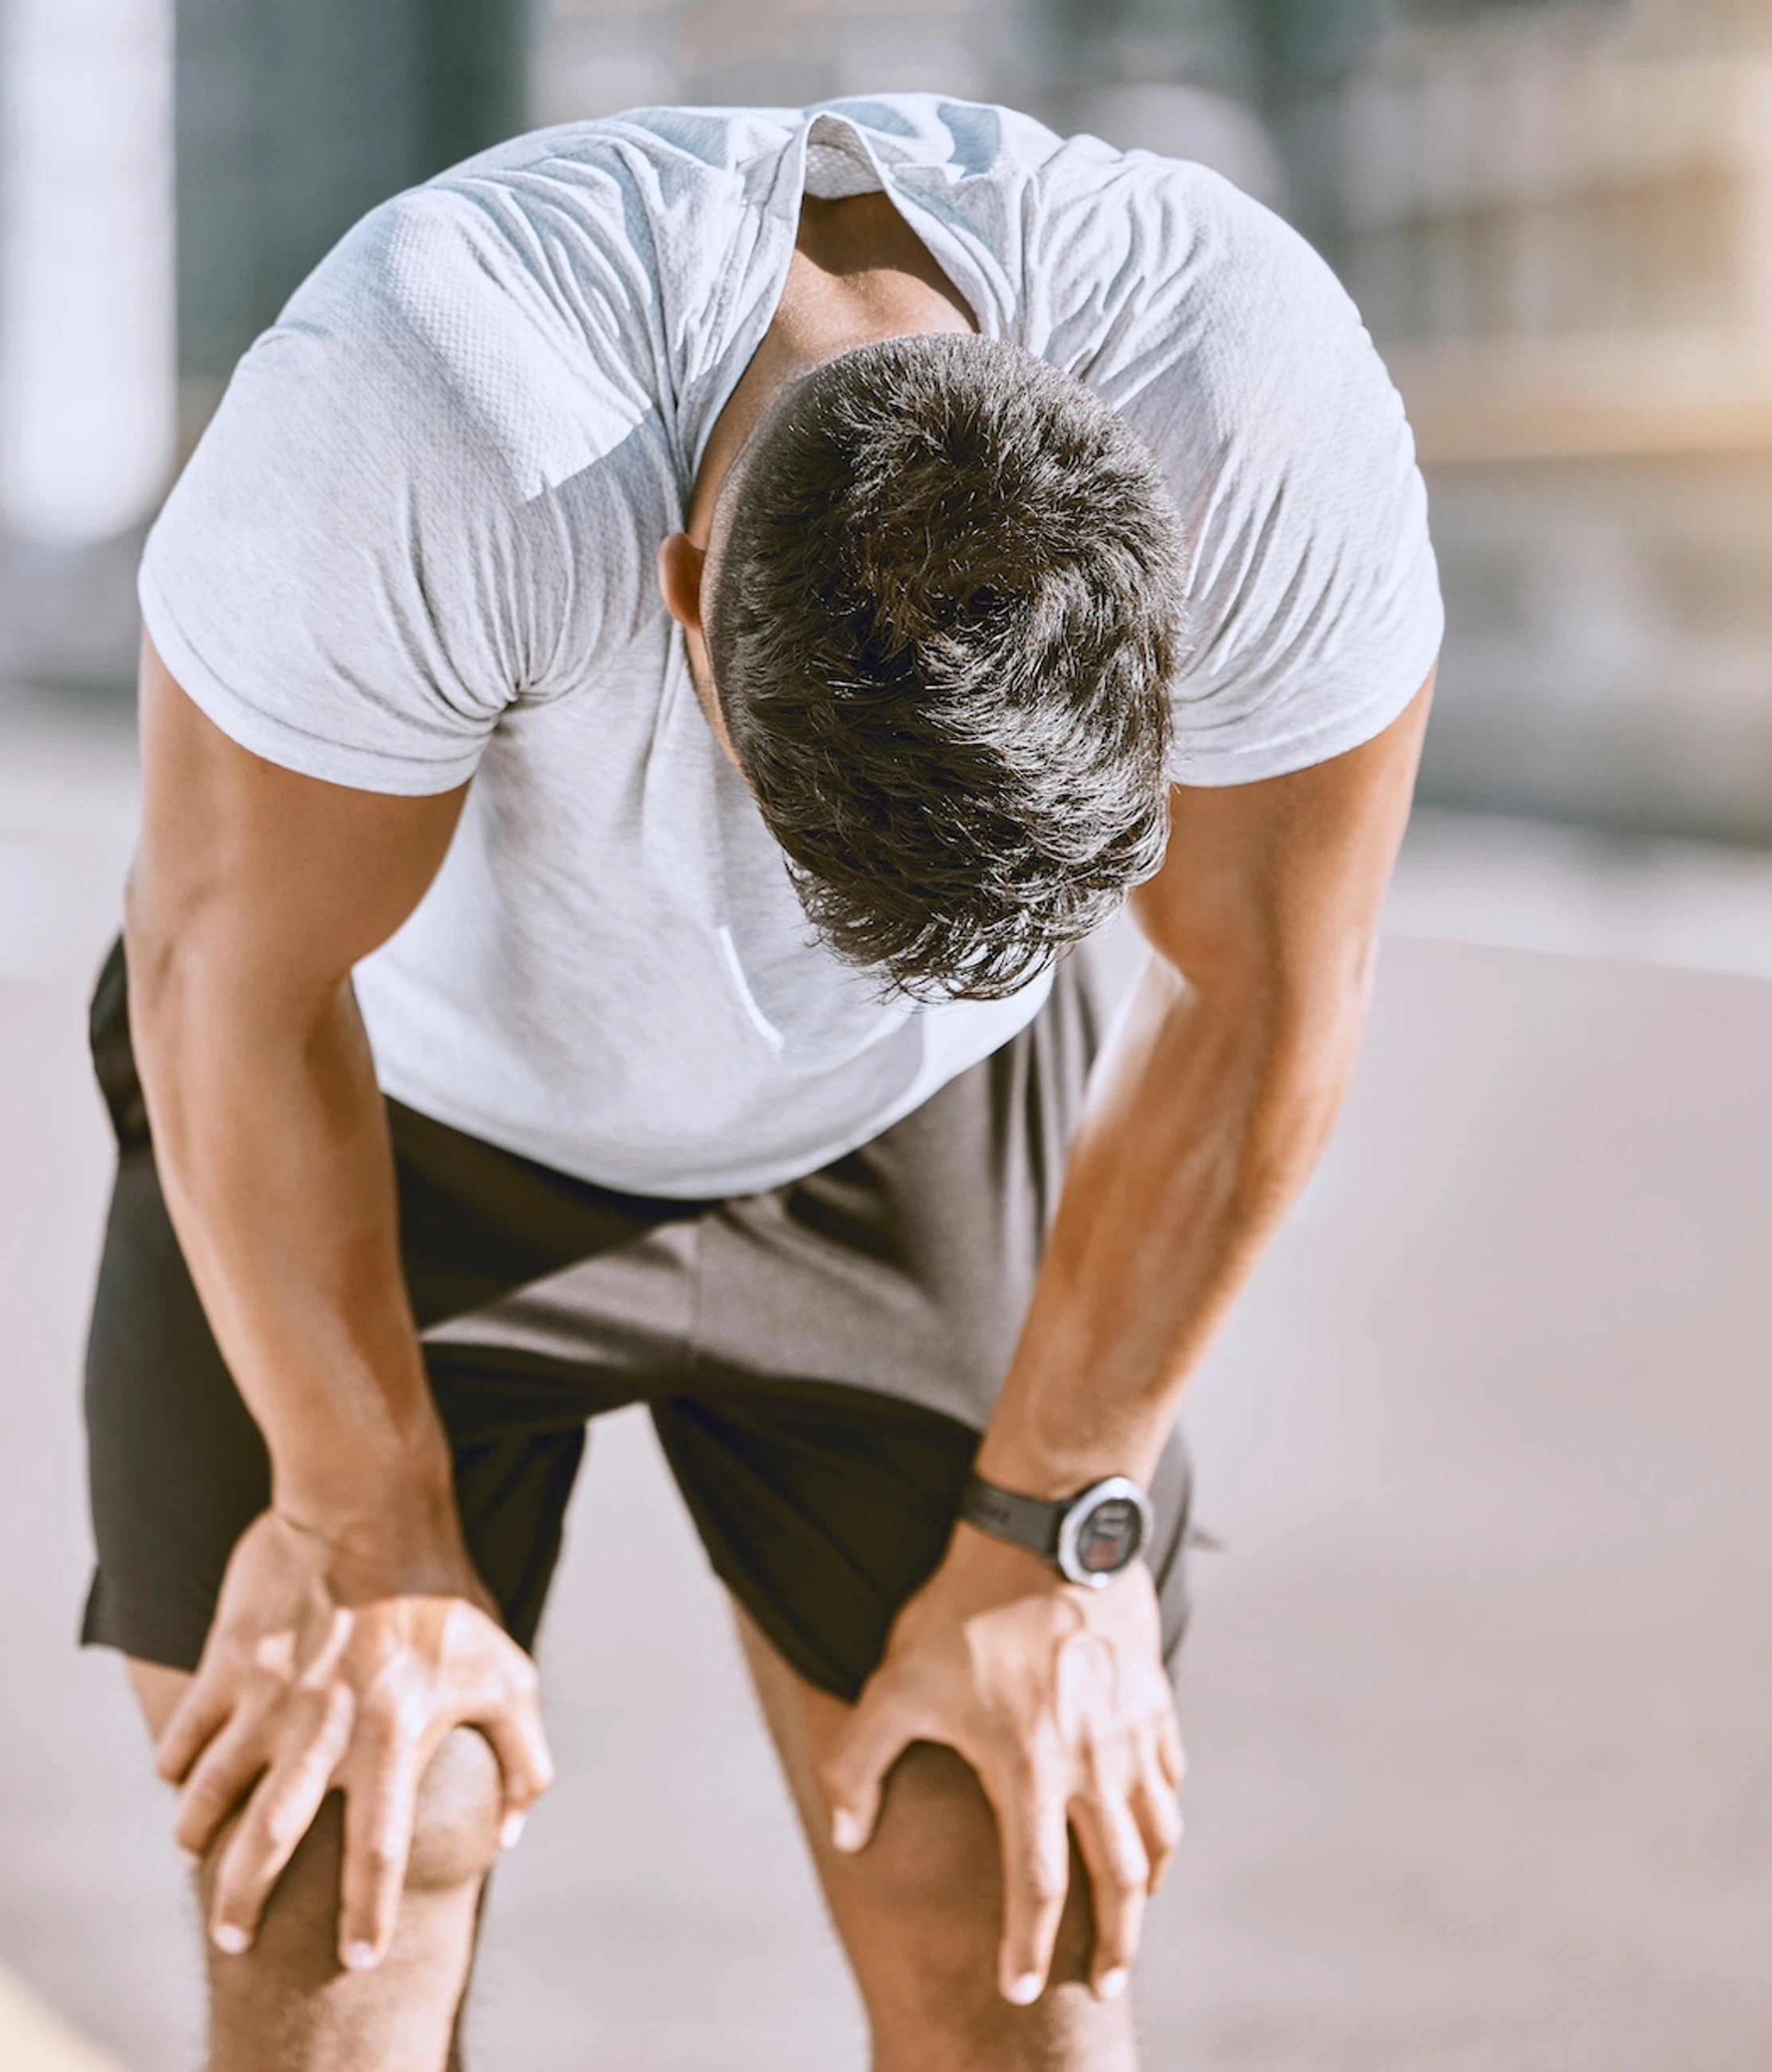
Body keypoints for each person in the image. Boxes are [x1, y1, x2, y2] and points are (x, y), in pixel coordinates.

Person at [80, 95, 1439, 2071]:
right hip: (389, 1104)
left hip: (911, 1125)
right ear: (686, 594)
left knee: (1001, 1870)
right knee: (360, 1841)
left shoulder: (1249, 401)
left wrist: (1059, 1533)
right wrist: (367, 1538)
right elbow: (230, 971)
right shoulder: (434, 402)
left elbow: (1263, 1002)